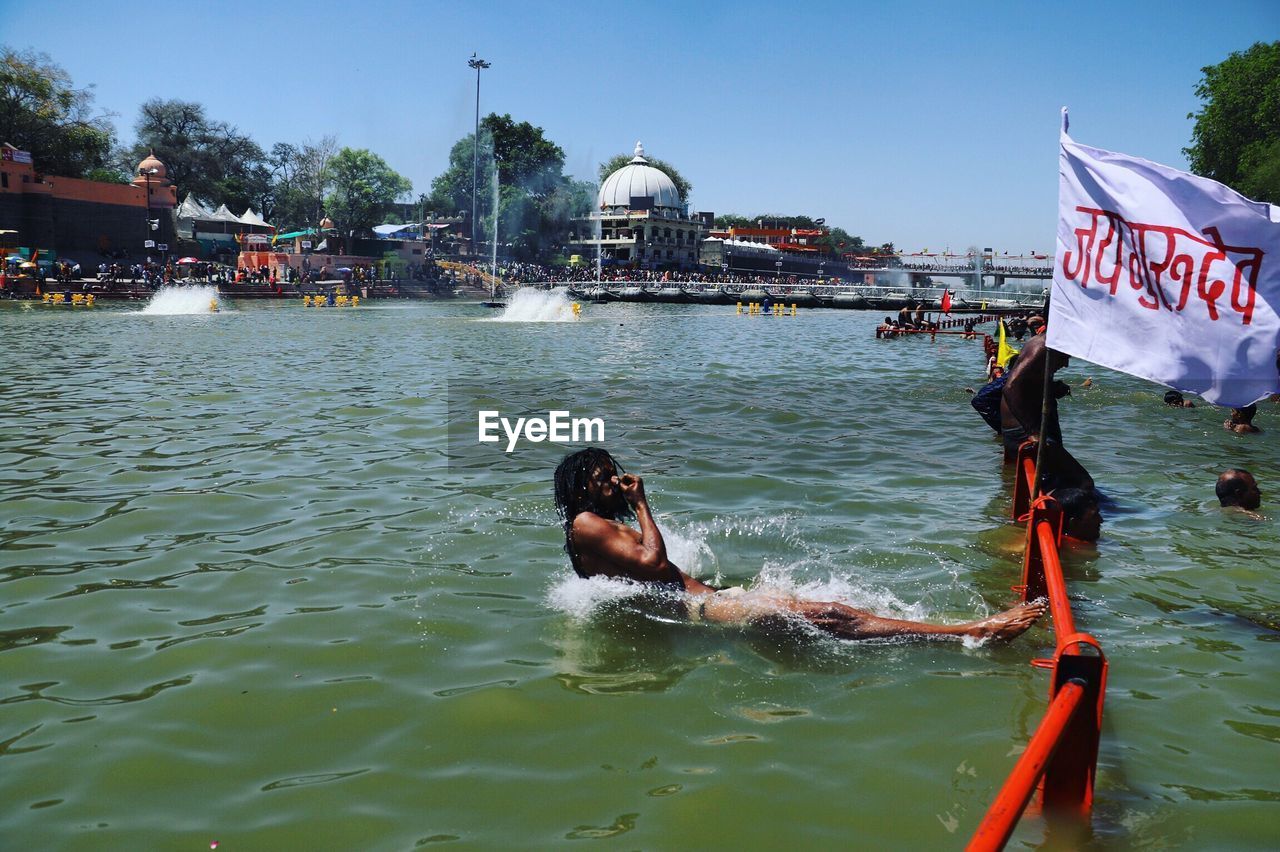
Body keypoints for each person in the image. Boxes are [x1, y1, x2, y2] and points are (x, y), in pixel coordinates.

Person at [553, 448, 1046, 642]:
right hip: (700, 611)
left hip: (707, 602)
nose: (612, 483)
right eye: (601, 479)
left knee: (820, 612)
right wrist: (642, 503)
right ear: (579, 489)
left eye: (612, 477)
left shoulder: (592, 525)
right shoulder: (586, 524)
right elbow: (654, 560)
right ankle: (970, 631)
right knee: (830, 613)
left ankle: (947, 631)